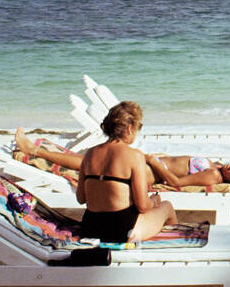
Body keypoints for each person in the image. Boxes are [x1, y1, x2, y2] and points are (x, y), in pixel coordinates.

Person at [14, 127, 230, 188]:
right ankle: (42, 153)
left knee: (90, 163)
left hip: (147, 172)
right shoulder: (217, 166)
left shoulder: (214, 176)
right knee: (98, 157)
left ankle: (34, 151)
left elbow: (177, 183)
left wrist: (154, 162)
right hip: (149, 164)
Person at [71, 101, 175, 244]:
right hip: (122, 230)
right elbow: (143, 206)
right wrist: (154, 201)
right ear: (129, 128)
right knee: (167, 207)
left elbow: (81, 198)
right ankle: (174, 246)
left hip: (91, 228)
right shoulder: (134, 156)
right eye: (139, 127)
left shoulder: (90, 154)